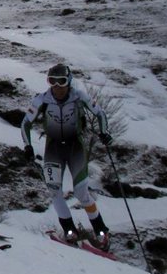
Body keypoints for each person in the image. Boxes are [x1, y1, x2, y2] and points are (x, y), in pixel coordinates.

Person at [20, 63, 113, 248]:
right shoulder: (42, 100)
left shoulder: (79, 97)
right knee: (55, 192)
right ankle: (70, 231)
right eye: (52, 81)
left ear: (69, 81)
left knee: (81, 193)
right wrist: (27, 146)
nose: (57, 87)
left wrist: (104, 132)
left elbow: (100, 113)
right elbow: (25, 123)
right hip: (53, 148)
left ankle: (101, 232)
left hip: (75, 147)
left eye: (61, 81)